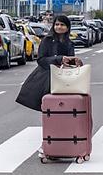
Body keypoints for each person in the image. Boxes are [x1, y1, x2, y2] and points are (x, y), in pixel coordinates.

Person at [15, 15, 82, 155]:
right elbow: (41, 60)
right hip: (46, 79)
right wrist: (58, 59)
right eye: (57, 24)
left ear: (67, 27)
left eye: (62, 25)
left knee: (65, 113)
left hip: (63, 81)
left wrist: (74, 62)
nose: (59, 27)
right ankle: (47, 144)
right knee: (50, 113)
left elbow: (70, 62)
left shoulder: (69, 43)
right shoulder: (47, 40)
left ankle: (63, 143)